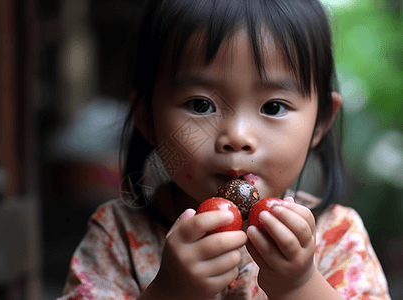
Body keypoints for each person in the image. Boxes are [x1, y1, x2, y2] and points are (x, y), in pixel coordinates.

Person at [57, 0, 392, 299]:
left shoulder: (338, 238)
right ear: (147, 117)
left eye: (273, 107)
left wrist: (300, 286)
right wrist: (170, 293)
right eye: (201, 104)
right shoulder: (117, 238)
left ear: (320, 123)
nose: (237, 136)